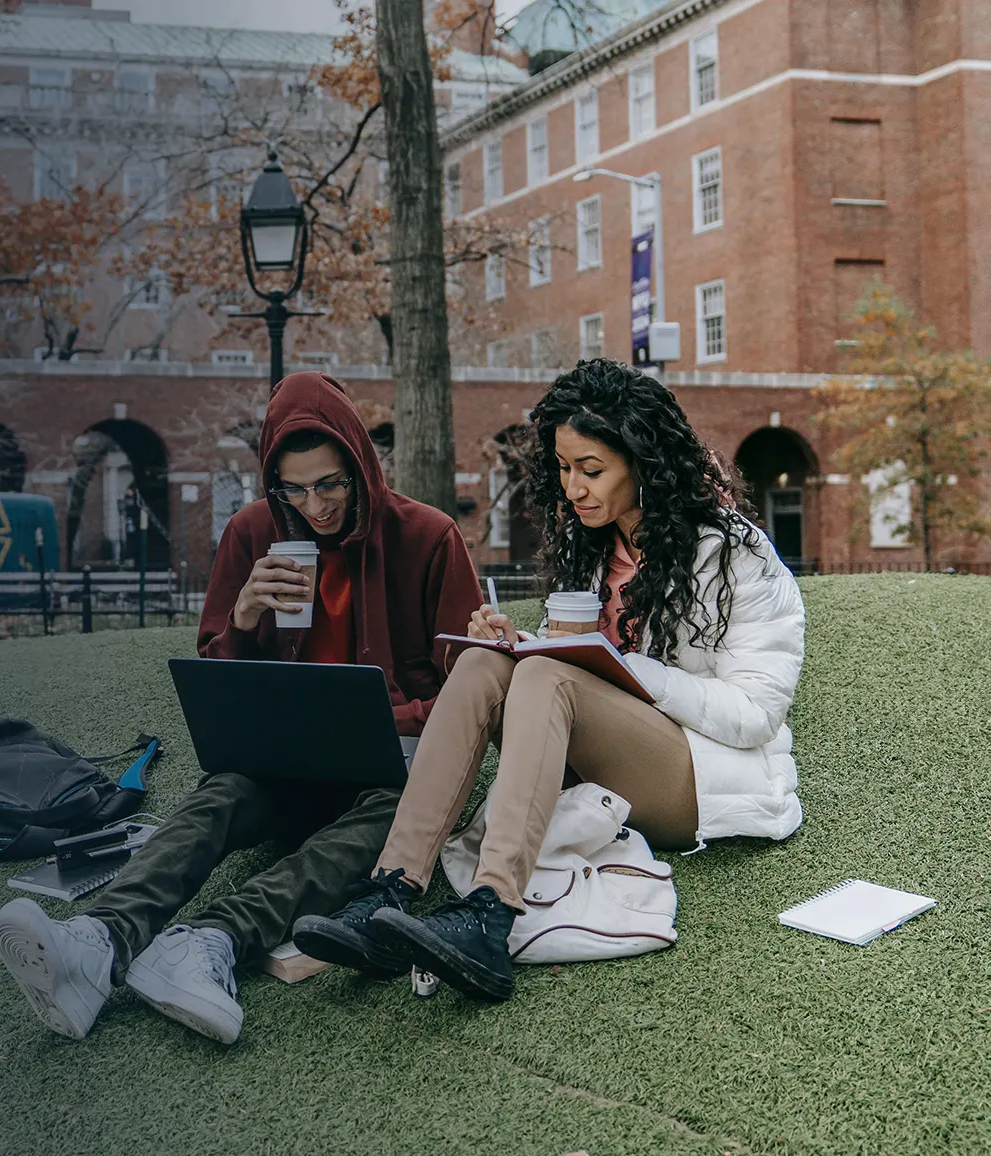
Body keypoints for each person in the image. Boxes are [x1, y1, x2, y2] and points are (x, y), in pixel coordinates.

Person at [0, 373, 482, 1044]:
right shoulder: (252, 532)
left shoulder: (428, 537)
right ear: (271, 482)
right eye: (295, 488)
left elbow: (467, 690)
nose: (317, 505)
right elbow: (216, 683)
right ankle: (96, 942)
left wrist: (398, 713)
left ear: (363, 467)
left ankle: (210, 941)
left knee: (397, 811)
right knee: (220, 792)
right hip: (283, 766)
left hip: (387, 770)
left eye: (333, 483)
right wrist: (246, 617)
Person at [293, 359, 806, 1002]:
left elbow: (755, 712)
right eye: (564, 470)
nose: (574, 488)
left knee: (545, 679)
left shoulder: (733, 554)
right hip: (603, 760)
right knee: (487, 662)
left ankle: (490, 913)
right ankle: (389, 888)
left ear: (644, 462)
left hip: (698, 776)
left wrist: (618, 670)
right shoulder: (594, 549)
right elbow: (579, 667)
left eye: (592, 470)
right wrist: (520, 642)